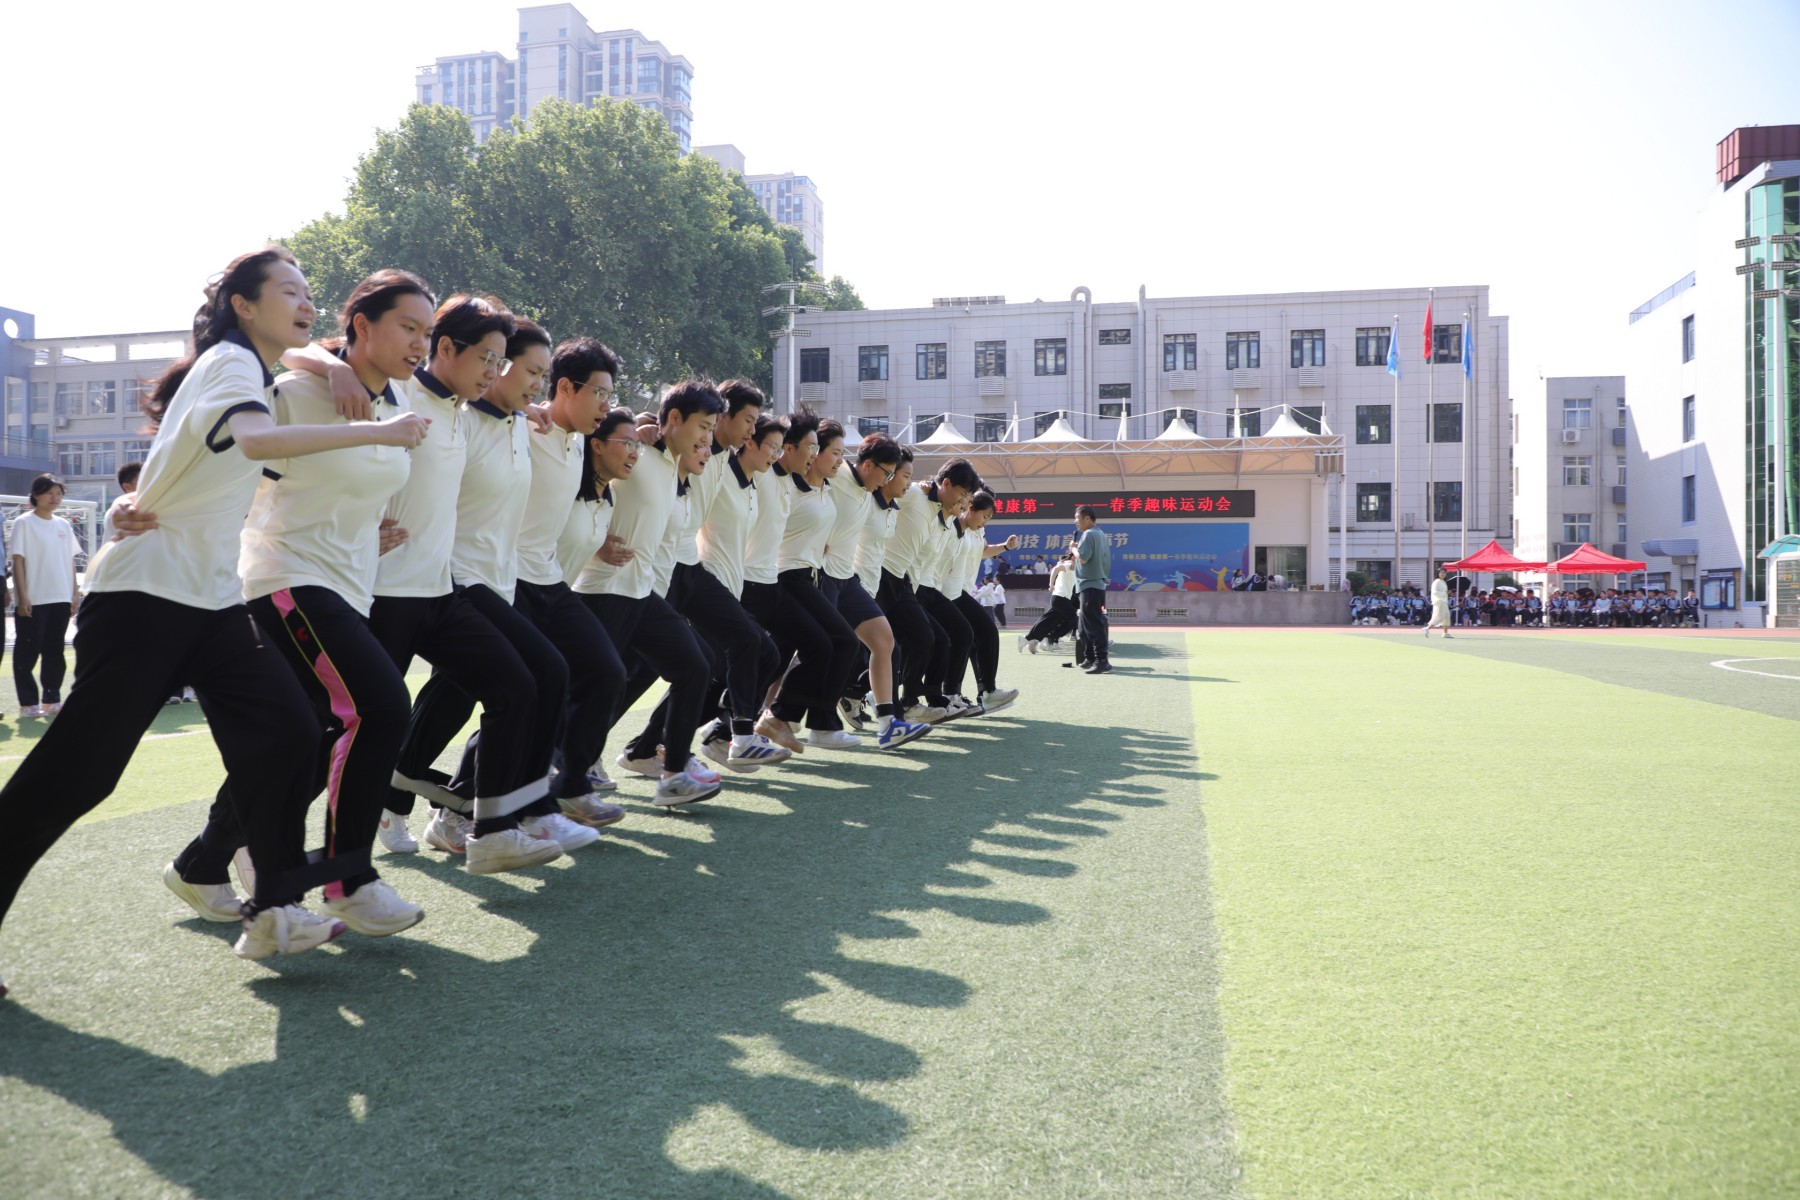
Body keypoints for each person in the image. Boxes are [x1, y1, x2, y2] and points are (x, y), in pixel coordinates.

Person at [0, 249, 430, 989]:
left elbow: (242, 419)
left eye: (308, 292)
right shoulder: (231, 366)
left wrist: (326, 367)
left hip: (213, 602)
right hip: (143, 600)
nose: (305, 303)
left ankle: (274, 908)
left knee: (290, 733)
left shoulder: (253, 369)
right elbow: (258, 441)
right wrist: (377, 433)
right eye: (288, 291)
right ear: (243, 306)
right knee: (78, 777)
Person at [10, 474, 82, 717]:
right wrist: (23, 596)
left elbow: (70, 561)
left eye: (59, 493)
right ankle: (28, 703)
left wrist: (74, 593)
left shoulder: (63, 525)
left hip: (60, 597)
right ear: (36, 495)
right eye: (50, 493)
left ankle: (52, 700)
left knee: (55, 651)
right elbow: (18, 561)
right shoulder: (23, 523)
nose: (55, 498)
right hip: (34, 598)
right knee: (27, 651)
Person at [1071, 505, 1112, 673]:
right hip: (1094, 584)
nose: (1075, 521)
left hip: (1090, 584)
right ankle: (1090, 658)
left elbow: (1083, 558)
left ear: (1087, 518)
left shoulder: (1088, 534)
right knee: (1085, 626)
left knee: (1093, 625)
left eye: (1077, 517)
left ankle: (1102, 661)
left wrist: (1073, 549)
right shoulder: (1100, 534)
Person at [1425, 568, 1454, 638]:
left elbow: (1444, 592)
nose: (1443, 574)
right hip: (1439, 601)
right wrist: (1445, 593)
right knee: (1439, 616)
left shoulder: (1443, 582)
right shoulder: (1436, 582)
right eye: (1441, 572)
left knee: (1446, 616)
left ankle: (1445, 633)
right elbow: (1435, 592)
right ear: (1438, 573)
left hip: (1444, 601)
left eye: (1444, 573)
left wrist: (1447, 593)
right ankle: (1427, 628)